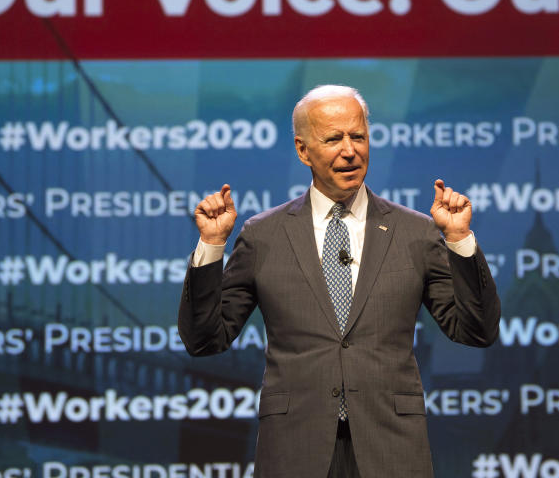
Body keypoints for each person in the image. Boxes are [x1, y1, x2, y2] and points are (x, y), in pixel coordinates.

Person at [178, 84, 500, 477]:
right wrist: (212, 245)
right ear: (302, 150)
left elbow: (476, 331)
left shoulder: (415, 232)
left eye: (358, 136)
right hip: (295, 449)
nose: (350, 150)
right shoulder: (263, 236)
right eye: (334, 139)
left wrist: (459, 240)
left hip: (391, 447)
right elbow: (204, 339)